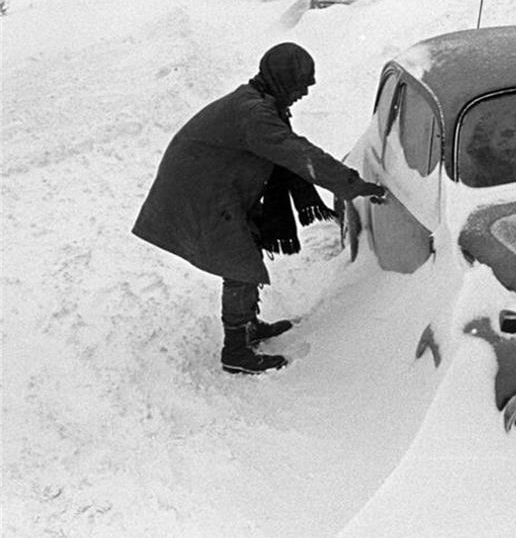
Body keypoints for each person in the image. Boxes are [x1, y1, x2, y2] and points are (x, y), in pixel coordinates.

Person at [132, 42, 386, 375]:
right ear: (281, 81)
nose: (303, 93)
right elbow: (300, 155)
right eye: (299, 85)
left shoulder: (258, 103)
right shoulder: (255, 115)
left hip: (212, 185)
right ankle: (236, 351)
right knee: (241, 264)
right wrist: (354, 185)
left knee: (245, 249)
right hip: (198, 193)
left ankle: (248, 326)